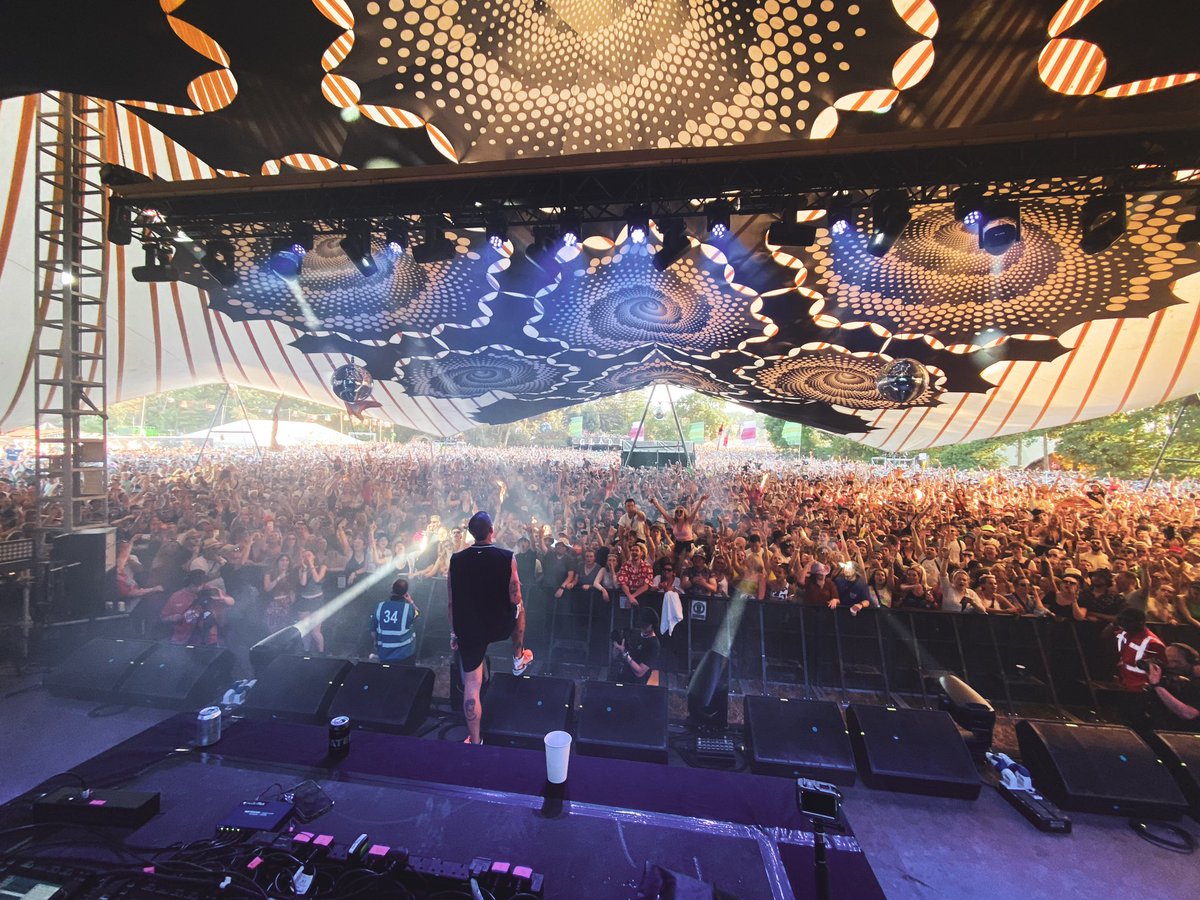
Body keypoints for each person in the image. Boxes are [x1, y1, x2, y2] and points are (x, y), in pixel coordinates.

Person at [448, 511, 532, 745]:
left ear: (471, 533)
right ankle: (518, 658)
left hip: (469, 627)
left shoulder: (456, 559)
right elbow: (515, 596)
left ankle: (474, 741)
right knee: (521, 607)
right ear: (492, 530)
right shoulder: (506, 557)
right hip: (499, 623)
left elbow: (451, 600)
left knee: (471, 686)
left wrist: (454, 632)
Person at [160, 569, 234, 646]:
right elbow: (163, 618)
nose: (198, 588)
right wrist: (172, 618)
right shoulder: (176, 596)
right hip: (182, 639)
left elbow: (231, 602)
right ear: (188, 583)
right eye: (195, 585)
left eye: (200, 585)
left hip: (209, 639)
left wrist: (222, 598)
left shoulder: (211, 591)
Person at [1145, 643, 1200, 730]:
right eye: (1168, 661)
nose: (1171, 666)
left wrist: (1157, 685)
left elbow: (1189, 714)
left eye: (1176, 661)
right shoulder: (1178, 679)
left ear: (1192, 661)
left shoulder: (1195, 683)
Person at [1113, 607, 1166, 692]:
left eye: (1128, 621)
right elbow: (1104, 635)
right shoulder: (1126, 634)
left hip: (1140, 689)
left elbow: (1159, 671)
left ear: (1141, 622)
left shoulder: (1153, 643)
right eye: (1122, 621)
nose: (1123, 624)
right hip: (1124, 684)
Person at [370, 577, 420, 662]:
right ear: (406, 592)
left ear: (391, 590)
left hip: (384, 654)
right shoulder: (408, 608)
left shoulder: (380, 606)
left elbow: (373, 631)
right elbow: (418, 614)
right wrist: (411, 601)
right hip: (405, 655)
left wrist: (375, 643)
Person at [609, 606, 660, 685]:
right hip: (620, 677)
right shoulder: (634, 633)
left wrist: (625, 654)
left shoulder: (653, 645)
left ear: (652, 625)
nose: (642, 628)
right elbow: (615, 656)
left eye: (645, 625)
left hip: (636, 685)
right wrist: (617, 646)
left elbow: (639, 672)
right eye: (642, 624)